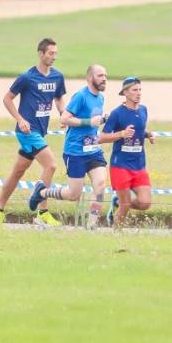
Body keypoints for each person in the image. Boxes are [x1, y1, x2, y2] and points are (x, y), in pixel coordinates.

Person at [0, 38, 67, 227]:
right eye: (51, 53)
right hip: (28, 132)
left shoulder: (57, 77)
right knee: (51, 166)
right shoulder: (27, 77)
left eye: (56, 53)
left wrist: (63, 113)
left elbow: (58, 98)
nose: (54, 57)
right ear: (40, 54)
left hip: (40, 131)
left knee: (18, 172)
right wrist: (20, 119)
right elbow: (7, 99)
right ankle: (42, 213)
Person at [46, 63, 112, 227]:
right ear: (90, 78)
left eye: (105, 76)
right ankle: (41, 192)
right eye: (100, 76)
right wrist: (88, 122)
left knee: (100, 184)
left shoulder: (100, 98)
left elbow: (94, 122)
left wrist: (103, 119)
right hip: (75, 151)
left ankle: (92, 224)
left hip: (93, 150)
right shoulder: (81, 96)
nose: (104, 79)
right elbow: (64, 118)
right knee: (73, 194)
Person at [101, 76, 153, 228]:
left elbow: (139, 130)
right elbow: (101, 137)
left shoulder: (143, 110)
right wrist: (121, 134)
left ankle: (116, 202)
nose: (139, 93)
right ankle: (117, 233)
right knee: (125, 204)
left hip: (139, 165)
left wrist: (148, 134)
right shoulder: (117, 113)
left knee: (145, 203)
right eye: (134, 90)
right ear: (125, 92)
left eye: (140, 90)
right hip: (120, 165)